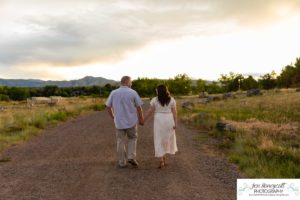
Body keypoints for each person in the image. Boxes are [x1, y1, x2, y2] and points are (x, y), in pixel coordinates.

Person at [105, 76, 144, 168]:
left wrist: (113, 117)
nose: (131, 84)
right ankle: (131, 156)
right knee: (132, 138)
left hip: (119, 122)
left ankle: (122, 162)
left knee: (120, 141)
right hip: (131, 121)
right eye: (131, 82)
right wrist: (141, 119)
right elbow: (139, 107)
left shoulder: (113, 93)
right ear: (127, 82)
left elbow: (108, 106)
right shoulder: (133, 92)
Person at [144, 84, 178, 168]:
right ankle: (163, 157)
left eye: (156, 90)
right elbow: (174, 112)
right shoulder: (172, 99)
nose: (156, 91)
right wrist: (175, 123)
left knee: (159, 138)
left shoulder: (155, 100)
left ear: (159, 91)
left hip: (159, 120)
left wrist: (143, 119)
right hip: (169, 119)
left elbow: (150, 111)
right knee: (167, 138)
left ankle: (161, 159)